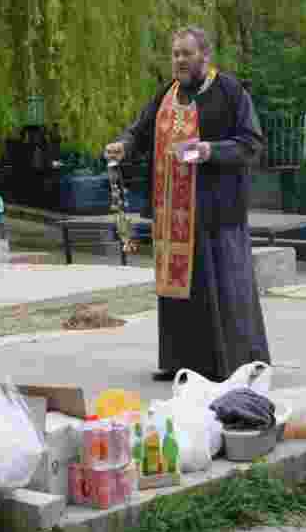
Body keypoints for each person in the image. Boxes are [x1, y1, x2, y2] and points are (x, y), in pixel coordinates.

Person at [105, 26, 270, 382]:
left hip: (216, 211)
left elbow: (251, 143)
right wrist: (125, 145)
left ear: (205, 56)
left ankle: (233, 366)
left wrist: (210, 150)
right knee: (179, 293)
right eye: (175, 53)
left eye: (186, 53)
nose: (179, 60)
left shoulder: (229, 91)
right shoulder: (168, 93)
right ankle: (182, 364)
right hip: (172, 212)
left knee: (223, 291)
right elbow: (140, 130)